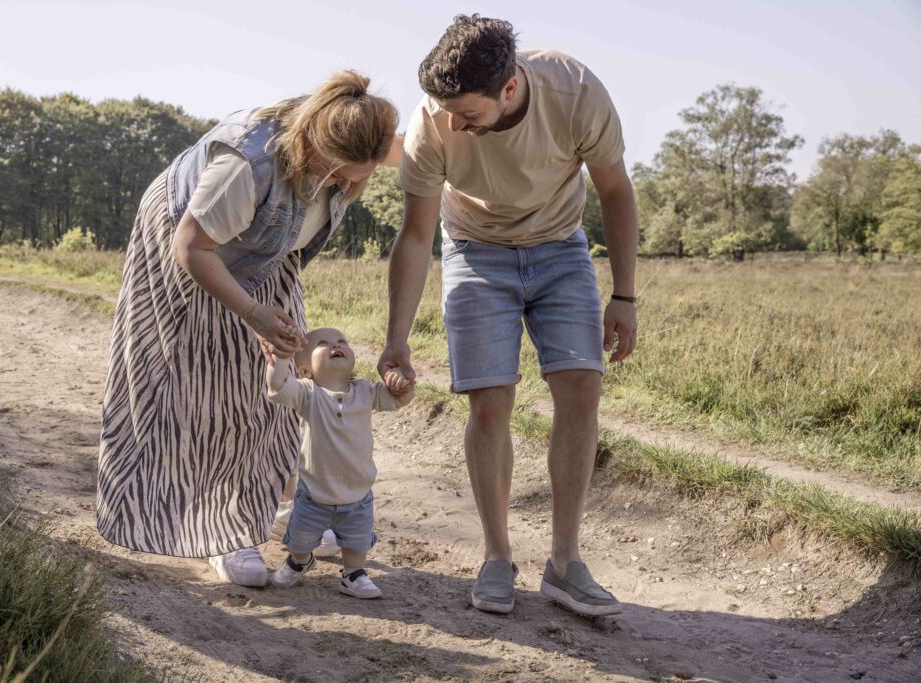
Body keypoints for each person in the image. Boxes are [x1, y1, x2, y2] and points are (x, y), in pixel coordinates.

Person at [96, 71, 400, 588]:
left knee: (285, 379)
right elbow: (192, 247)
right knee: (213, 391)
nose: (347, 186)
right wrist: (252, 312)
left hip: (263, 249)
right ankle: (224, 531)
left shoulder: (347, 155)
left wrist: (267, 315)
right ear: (313, 145)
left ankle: (281, 506)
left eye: (357, 178)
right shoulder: (247, 165)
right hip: (190, 248)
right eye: (339, 175)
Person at [378, 15, 638, 616]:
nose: (451, 123)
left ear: (510, 89)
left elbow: (615, 191)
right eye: (443, 108)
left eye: (466, 112)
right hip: (473, 252)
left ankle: (566, 563)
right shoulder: (431, 125)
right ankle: (497, 556)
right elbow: (416, 237)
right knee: (490, 401)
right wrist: (397, 339)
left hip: (561, 247)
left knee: (581, 389)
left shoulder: (574, 93)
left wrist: (624, 294)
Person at [265, 327, 414, 598]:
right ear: (306, 371)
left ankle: (353, 575)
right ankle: (299, 561)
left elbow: (399, 399)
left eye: (342, 341)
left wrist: (402, 383)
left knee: (356, 543)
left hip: (357, 494)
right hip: (314, 494)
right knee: (299, 539)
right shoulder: (307, 394)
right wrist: (281, 358)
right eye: (324, 343)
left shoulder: (366, 391)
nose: (336, 345)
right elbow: (277, 388)